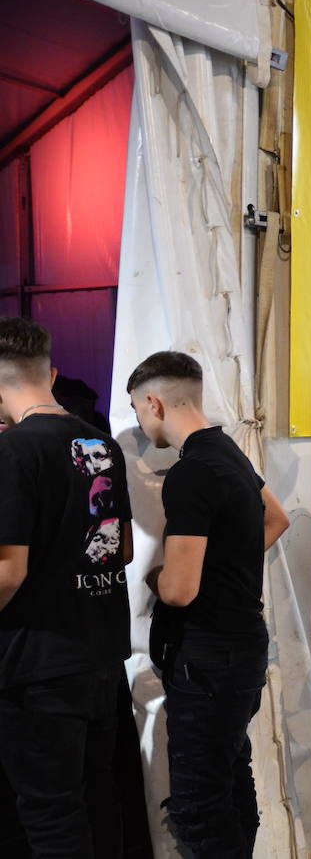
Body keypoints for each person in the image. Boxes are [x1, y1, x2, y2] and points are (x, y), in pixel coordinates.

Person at [127, 352, 290, 858]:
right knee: (230, 779)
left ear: (154, 401)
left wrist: (156, 574)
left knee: (198, 808)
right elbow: (276, 519)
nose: (139, 421)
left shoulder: (191, 472)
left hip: (208, 659)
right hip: (240, 649)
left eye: (136, 410)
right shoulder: (228, 450)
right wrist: (221, 565)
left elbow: (178, 590)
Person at [0, 317, 134, 855]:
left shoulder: (14, 452)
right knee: (98, 798)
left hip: (40, 666)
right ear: (48, 373)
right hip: (100, 659)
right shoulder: (100, 443)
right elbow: (119, 550)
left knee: (50, 815)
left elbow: (9, 571)